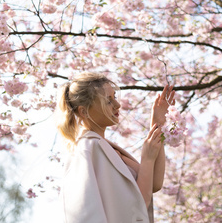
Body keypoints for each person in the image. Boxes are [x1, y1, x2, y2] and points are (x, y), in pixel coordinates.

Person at [56, 71, 175, 223]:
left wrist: (158, 125)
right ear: (84, 112)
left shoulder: (106, 147)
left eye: (115, 97)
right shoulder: (89, 148)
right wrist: (147, 158)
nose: (118, 105)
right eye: (108, 101)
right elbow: (134, 209)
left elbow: (154, 184)